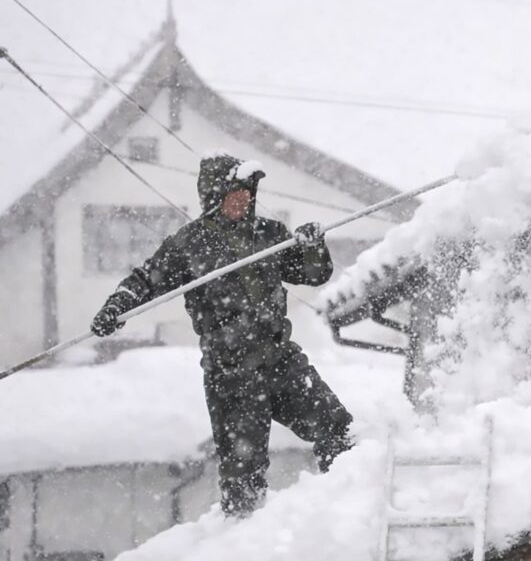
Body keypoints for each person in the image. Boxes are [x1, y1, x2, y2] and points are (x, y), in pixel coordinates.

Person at [90, 152, 353, 517]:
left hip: (280, 360)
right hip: (231, 374)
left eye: (248, 191)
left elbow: (313, 274)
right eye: (234, 192)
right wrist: (116, 306)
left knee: (337, 426)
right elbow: (144, 281)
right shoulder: (188, 245)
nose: (243, 198)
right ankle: (242, 544)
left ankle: (346, 505)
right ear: (214, 196)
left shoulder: (270, 234)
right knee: (243, 476)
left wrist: (312, 247)